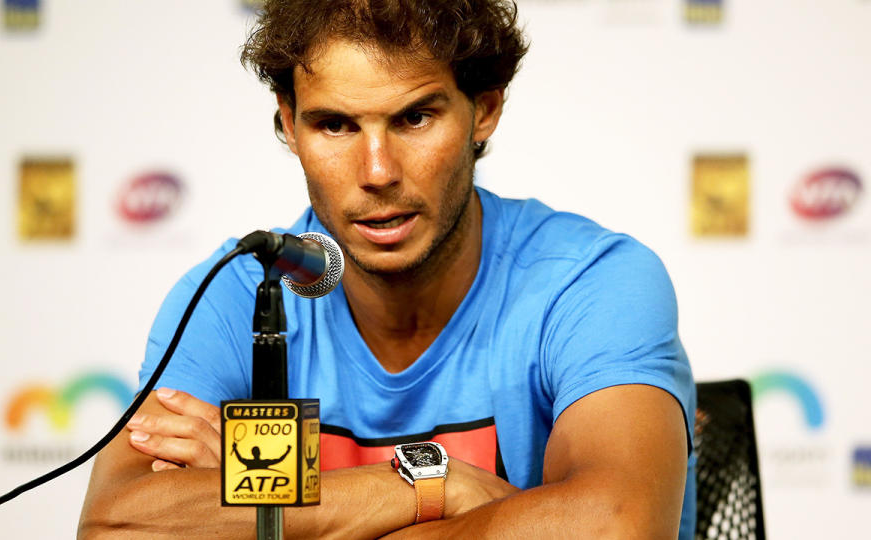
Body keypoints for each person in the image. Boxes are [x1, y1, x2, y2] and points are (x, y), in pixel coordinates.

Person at [79, 0, 696, 538]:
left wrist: (267, 515)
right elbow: (116, 526)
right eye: (335, 125)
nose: (377, 171)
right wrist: (430, 486)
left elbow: (615, 525)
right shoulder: (240, 293)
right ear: (289, 125)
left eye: (414, 118)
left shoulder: (589, 282)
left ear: (483, 110)